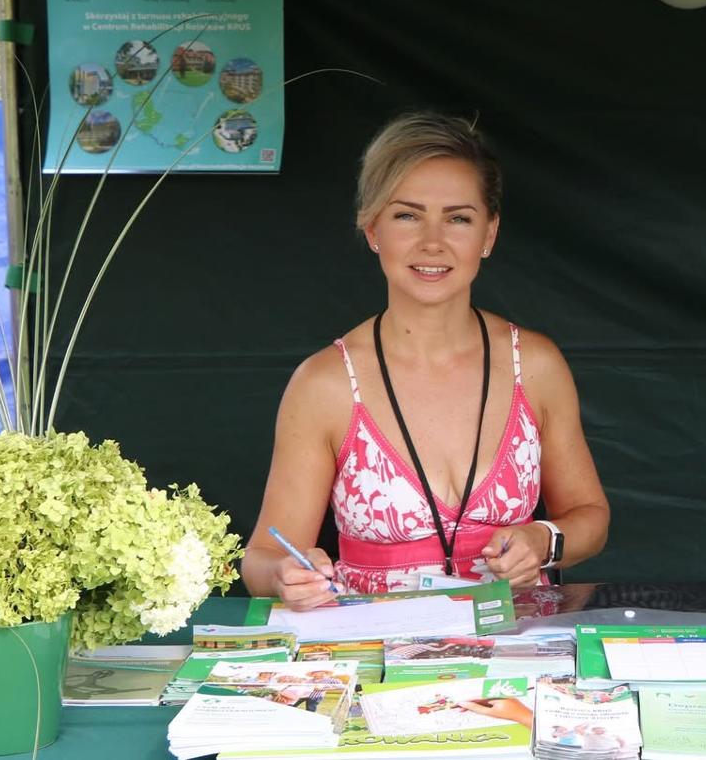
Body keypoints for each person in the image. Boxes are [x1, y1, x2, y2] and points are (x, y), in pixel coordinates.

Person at [243, 111, 610, 608]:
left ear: (489, 234)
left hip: (520, 655)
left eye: (458, 218)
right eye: (407, 215)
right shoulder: (324, 383)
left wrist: (544, 540)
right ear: (372, 229)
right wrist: (286, 575)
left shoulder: (536, 365)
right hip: (373, 661)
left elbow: (591, 517)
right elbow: (262, 557)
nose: (433, 241)